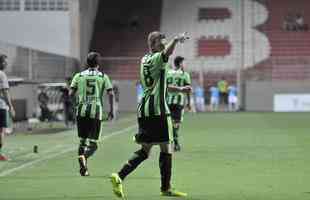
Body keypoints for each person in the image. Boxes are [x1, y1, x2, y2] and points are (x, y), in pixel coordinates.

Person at [110, 31, 190, 198]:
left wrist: (181, 89)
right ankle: (165, 188)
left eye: (164, 43)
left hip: (145, 111)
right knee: (167, 148)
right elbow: (166, 53)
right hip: (159, 110)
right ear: (153, 44)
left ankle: (119, 175)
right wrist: (176, 40)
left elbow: (162, 85)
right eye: (161, 43)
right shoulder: (156, 58)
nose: (164, 46)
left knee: (145, 150)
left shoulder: (144, 60)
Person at [70, 51, 114, 176]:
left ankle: (83, 168)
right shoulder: (102, 76)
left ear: (87, 63)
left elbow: (70, 93)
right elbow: (110, 93)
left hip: (82, 111)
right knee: (93, 145)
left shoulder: (79, 76)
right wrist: (111, 110)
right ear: (98, 63)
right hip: (95, 112)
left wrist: (76, 105)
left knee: (82, 141)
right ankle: (84, 158)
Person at [166, 56, 191, 151]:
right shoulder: (185, 75)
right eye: (184, 63)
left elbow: (165, 87)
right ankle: (175, 143)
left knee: (170, 123)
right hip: (179, 102)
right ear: (180, 63)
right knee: (176, 124)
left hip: (168, 101)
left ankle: (173, 142)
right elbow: (188, 90)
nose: (185, 65)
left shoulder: (168, 73)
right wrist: (189, 103)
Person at [0, 55, 15, 161]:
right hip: (0, 106)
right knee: (1, 131)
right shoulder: (1, 74)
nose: (6, 64)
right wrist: (11, 106)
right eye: (5, 62)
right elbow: (5, 91)